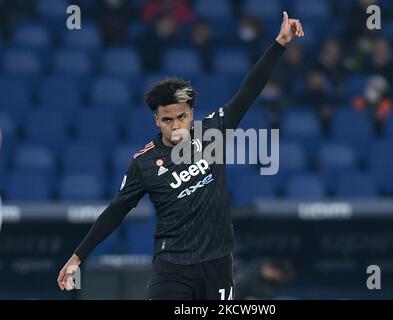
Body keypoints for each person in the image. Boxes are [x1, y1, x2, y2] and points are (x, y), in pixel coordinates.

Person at [57, 11, 304, 300]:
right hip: (171, 266)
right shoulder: (144, 163)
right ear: (156, 121)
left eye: (181, 117)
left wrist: (279, 44)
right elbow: (116, 211)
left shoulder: (212, 133)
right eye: (167, 120)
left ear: (191, 115)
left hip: (217, 261)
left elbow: (249, 90)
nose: (175, 126)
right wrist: (77, 257)